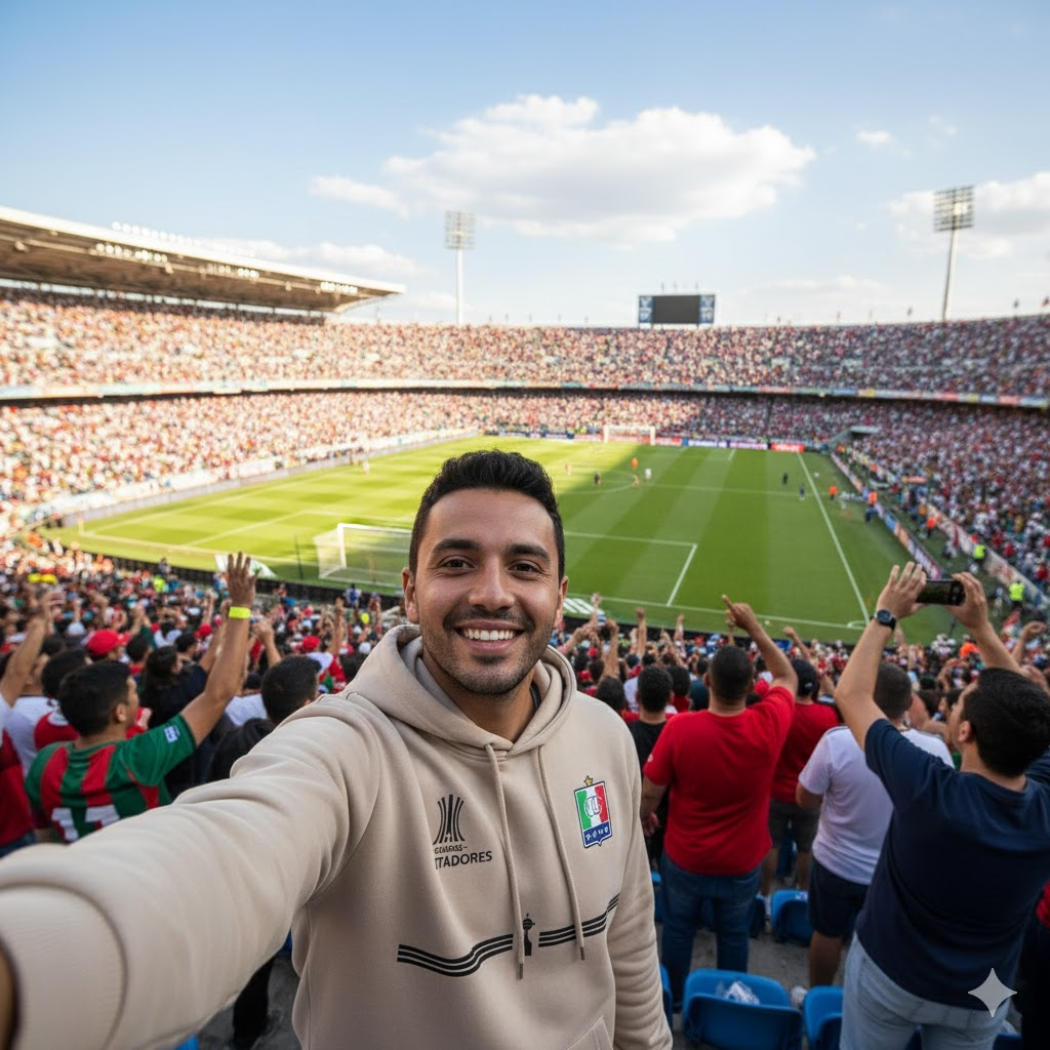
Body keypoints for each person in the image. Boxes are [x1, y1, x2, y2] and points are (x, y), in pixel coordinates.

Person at [0, 452, 669, 1050]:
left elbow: (630, 939)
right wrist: (30, 969)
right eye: (457, 562)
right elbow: (214, 862)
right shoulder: (342, 749)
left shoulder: (602, 735)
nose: (492, 592)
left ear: (559, 591)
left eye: (524, 566)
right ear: (410, 589)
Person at [835, 565, 1050, 1050]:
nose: (953, 708)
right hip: (985, 991)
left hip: (892, 969)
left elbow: (850, 695)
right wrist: (982, 630)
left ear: (966, 733)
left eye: (962, 705)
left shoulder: (926, 786)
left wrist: (885, 614)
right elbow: (1035, 717)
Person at [23, 558, 255, 844]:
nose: (139, 695)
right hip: (145, 873)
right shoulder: (138, 758)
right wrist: (241, 606)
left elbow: (45, 838)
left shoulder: (44, 763)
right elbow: (218, 694)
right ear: (119, 713)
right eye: (132, 691)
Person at [641, 596, 796, 1007]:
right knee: (732, 935)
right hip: (741, 862)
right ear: (750, 687)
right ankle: (728, 1003)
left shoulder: (681, 729)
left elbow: (650, 793)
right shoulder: (769, 722)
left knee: (677, 929)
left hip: (686, 856)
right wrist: (754, 627)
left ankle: (672, 1004)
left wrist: (645, 817)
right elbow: (787, 676)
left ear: (706, 682)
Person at [795, 663, 951, 990]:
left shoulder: (838, 741)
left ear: (866, 698)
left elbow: (805, 799)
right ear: (908, 703)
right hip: (896, 873)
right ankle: (863, 1005)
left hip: (837, 863)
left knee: (827, 933)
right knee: (881, 945)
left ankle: (816, 996)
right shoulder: (935, 750)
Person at [206, 656, 321, 1050]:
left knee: (252, 960)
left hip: (232, 872)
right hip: (275, 880)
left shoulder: (237, 738)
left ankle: (244, 1030)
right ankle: (250, 1031)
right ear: (307, 705)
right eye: (318, 691)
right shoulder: (302, 756)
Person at [759, 659, 839, 904]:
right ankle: (803, 894)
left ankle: (763, 897)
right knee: (806, 848)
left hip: (777, 792)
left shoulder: (779, 711)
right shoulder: (828, 715)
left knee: (772, 844)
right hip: (810, 794)